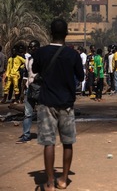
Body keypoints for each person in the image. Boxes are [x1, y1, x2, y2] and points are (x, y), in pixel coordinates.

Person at [32, 18, 84, 190]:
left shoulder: (41, 52)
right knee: (67, 142)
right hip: (66, 103)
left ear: (50, 32)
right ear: (67, 33)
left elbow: (35, 70)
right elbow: (81, 77)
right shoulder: (73, 55)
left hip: (46, 102)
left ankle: (49, 181)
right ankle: (63, 179)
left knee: (49, 143)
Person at [16, 40, 40, 144]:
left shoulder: (42, 59)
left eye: (32, 47)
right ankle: (26, 135)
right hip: (30, 89)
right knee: (28, 114)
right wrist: (23, 89)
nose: (30, 49)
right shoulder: (28, 59)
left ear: (38, 48)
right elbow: (26, 74)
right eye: (29, 47)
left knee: (42, 114)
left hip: (40, 88)